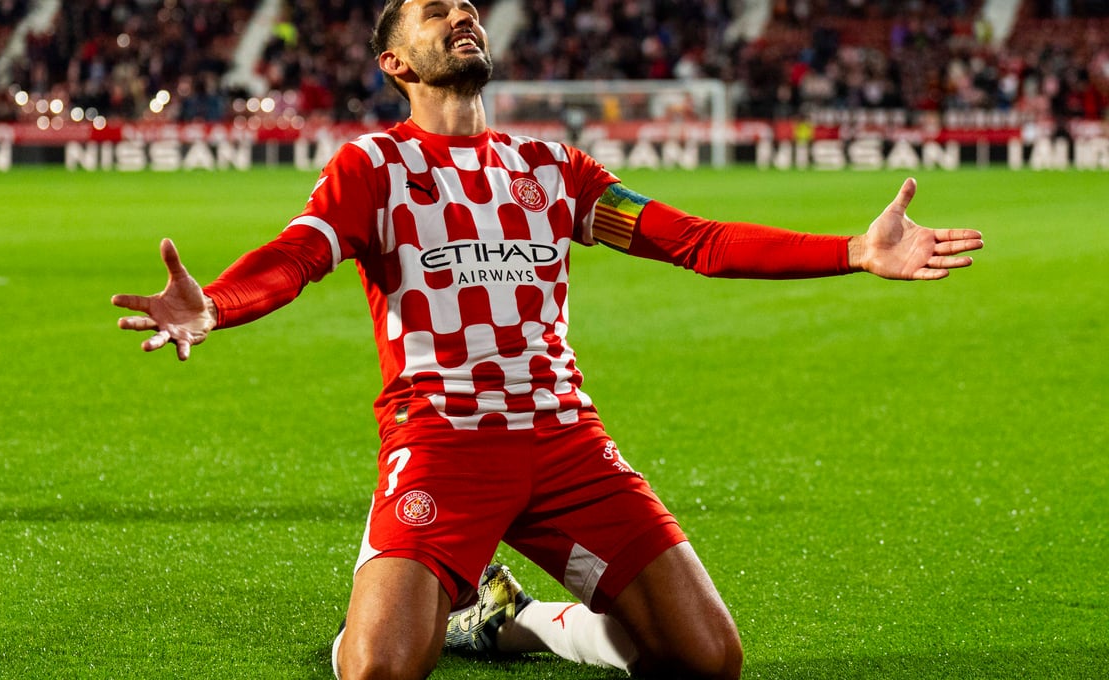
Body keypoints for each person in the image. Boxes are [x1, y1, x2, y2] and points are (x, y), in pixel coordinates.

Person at [111, 1, 984, 678]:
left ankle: (514, 619)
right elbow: (297, 257)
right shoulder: (373, 167)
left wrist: (852, 251)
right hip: (443, 441)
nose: (463, 16)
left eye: (468, 9)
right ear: (395, 63)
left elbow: (696, 241)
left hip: (566, 443)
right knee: (379, 668)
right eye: (435, 12)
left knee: (707, 659)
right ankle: (380, 607)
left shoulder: (554, 170)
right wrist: (216, 305)